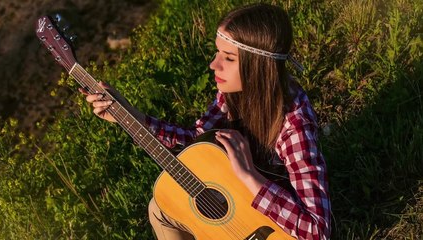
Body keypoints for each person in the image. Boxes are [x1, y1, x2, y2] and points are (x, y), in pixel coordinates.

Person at [79, 3, 331, 240]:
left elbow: (317, 231)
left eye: (229, 58)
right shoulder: (231, 91)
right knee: (160, 208)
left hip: (266, 221)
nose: (213, 64)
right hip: (235, 195)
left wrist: (249, 175)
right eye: (217, 52)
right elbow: (195, 140)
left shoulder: (294, 126)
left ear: (258, 68)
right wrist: (134, 117)